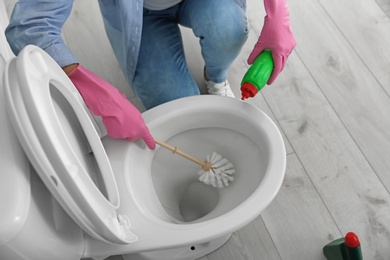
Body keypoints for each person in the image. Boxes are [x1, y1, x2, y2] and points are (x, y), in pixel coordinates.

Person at [5, 0, 296, 150]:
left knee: (228, 30)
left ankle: (215, 76)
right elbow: (30, 25)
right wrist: (90, 89)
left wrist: (278, 13)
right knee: (178, 106)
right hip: (140, 18)